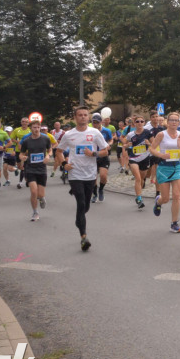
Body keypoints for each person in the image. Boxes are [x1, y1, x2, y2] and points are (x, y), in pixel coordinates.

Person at [55, 107, 109, 251]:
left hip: (90, 174)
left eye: (85, 115)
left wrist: (93, 154)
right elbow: (59, 151)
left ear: (88, 118)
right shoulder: (69, 135)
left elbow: (105, 151)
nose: (83, 117)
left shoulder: (95, 132)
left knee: (86, 207)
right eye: (80, 115)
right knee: (81, 202)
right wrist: (64, 164)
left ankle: (79, 220)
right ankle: (84, 237)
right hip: (75, 174)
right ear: (75, 117)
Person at [150, 111, 180, 233]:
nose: (174, 122)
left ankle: (174, 223)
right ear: (167, 122)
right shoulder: (161, 134)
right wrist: (161, 155)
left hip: (177, 167)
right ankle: (158, 201)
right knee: (166, 198)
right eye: (171, 120)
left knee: (176, 196)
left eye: (176, 120)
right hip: (164, 168)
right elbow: (151, 149)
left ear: (179, 122)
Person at [19, 120, 57, 222]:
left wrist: (48, 156)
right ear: (30, 128)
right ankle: (35, 212)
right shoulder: (26, 141)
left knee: (40, 194)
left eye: (38, 127)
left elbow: (50, 150)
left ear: (40, 128)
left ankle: (42, 198)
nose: (36, 129)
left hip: (41, 168)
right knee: (33, 191)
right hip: (30, 168)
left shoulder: (45, 138)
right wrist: (23, 157)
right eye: (34, 127)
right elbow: (21, 153)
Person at [122, 116, 150, 209]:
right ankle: (139, 199)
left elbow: (154, 144)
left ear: (144, 122)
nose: (140, 123)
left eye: (142, 121)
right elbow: (124, 144)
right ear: (134, 123)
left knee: (142, 179)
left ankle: (139, 194)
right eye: (137, 121)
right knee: (137, 178)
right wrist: (127, 145)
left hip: (145, 157)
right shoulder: (130, 134)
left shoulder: (147, 132)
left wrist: (148, 143)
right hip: (133, 158)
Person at [89, 114, 114, 203]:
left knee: (103, 176)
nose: (95, 124)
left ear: (100, 122)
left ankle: (101, 189)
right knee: (93, 177)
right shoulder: (89, 131)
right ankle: (95, 194)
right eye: (93, 122)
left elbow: (111, 139)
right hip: (93, 156)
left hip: (103, 156)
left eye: (97, 122)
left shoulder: (106, 131)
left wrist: (109, 144)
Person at [10, 118, 32, 188]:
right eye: (23, 121)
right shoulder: (17, 130)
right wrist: (18, 142)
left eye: (26, 122)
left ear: (28, 123)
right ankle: (26, 179)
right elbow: (12, 138)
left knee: (24, 167)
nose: (24, 123)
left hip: (27, 151)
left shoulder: (30, 130)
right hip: (18, 150)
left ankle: (21, 182)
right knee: (20, 166)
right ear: (21, 122)